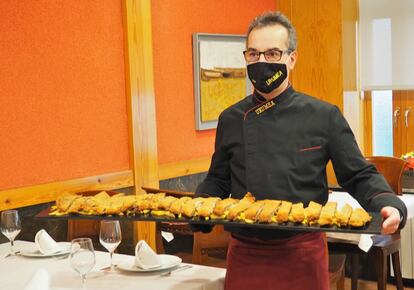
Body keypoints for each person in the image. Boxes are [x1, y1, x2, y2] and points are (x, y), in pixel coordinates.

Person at [193, 11, 407, 290]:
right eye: (254, 54)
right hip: (246, 254)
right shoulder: (231, 118)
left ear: (291, 59)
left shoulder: (323, 116)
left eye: (272, 54)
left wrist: (388, 204)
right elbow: (219, 179)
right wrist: (199, 209)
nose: (261, 62)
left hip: (302, 253)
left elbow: (358, 175)